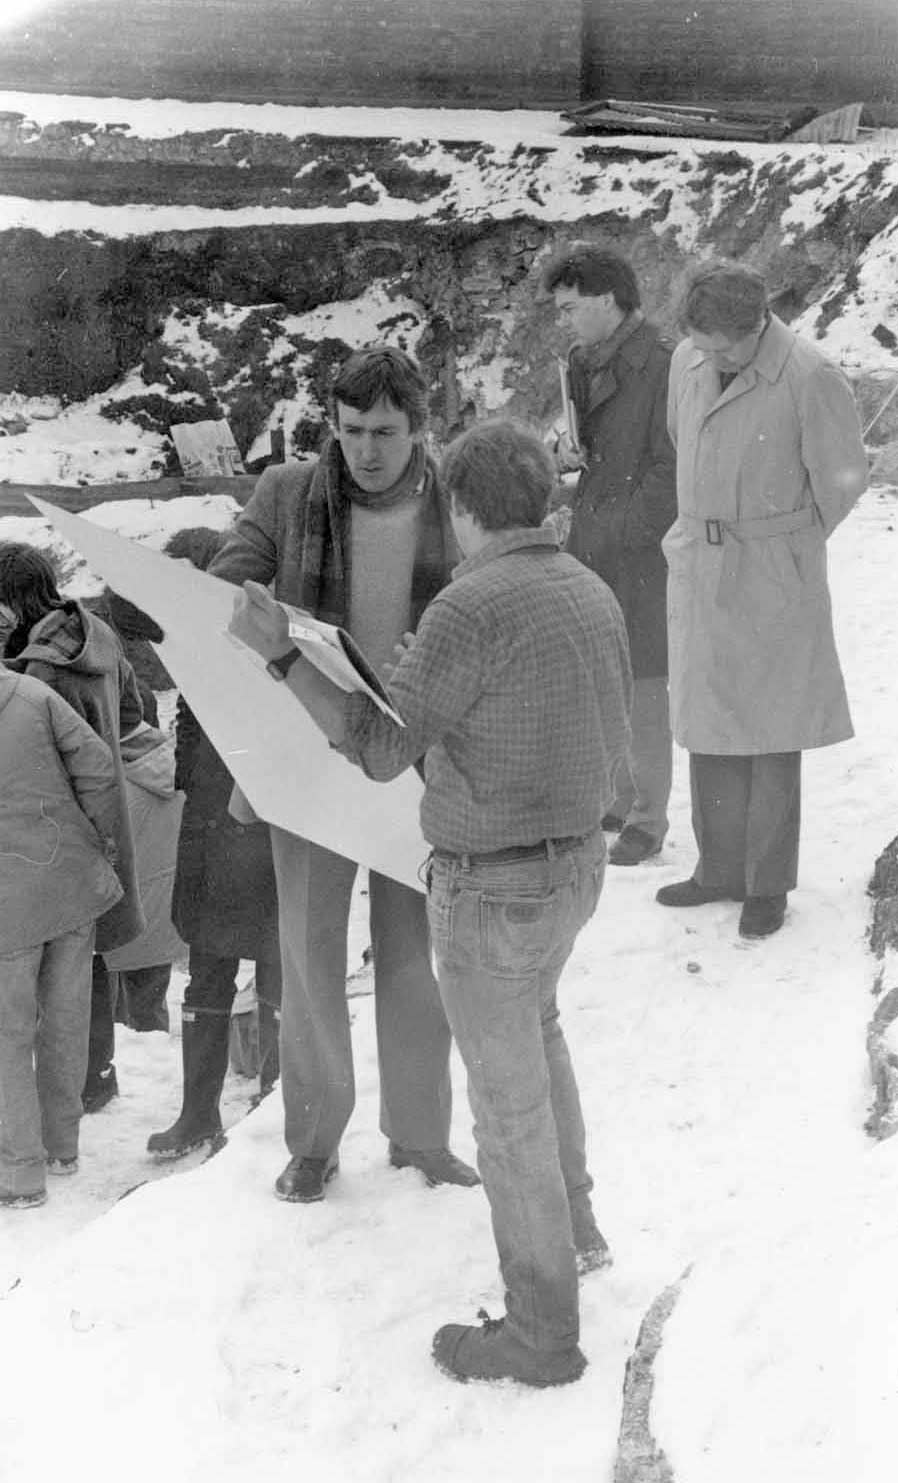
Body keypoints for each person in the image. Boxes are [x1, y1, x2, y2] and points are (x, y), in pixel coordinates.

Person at [230, 418, 632, 1388]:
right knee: (540, 1040)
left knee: (507, 1113)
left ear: (459, 508)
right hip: (573, 867)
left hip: (493, 884)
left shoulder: (467, 606)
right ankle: (575, 1227)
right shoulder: (587, 587)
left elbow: (375, 753)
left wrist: (283, 657)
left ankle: (540, 1332)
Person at [210, 346, 478, 1202]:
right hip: (313, 753)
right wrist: (267, 611)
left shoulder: (456, 500)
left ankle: (422, 1134)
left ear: (419, 429)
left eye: (387, 433)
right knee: (311, 953)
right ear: (333, 423)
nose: (366, 450)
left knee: (412, 958)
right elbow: (224, 581)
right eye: (353, 430)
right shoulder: (287, 493)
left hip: (417, 761)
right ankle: (315, 1141)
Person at [659, 262, 869, 938]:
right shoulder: (689, 359)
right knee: (708, 717)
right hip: (701, 560)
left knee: (773, 728)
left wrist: (783, 546)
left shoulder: (810, 375)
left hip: (775, 566)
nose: (711, 355)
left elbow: (841, 480)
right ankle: (718, 866)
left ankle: (766, 882)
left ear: (759, 324)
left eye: (725, 344)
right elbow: (681, 437)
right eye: (702, 342)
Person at [143, 527, 283, 1159]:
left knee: (278, 966)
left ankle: (278, 1102)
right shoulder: (192, 646)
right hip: (206, 829)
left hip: (260, 829)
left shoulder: (258, 640)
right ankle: (198, 1113)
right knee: (205, 973)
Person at [543, 243, 677, 866]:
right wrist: (564, 455)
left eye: (570, 308)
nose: (563, 320)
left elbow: (670, 467)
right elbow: (584, 442)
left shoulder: (665, 364)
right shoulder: (580, 360)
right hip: (592, 540)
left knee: (645, 681)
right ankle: (621, 799)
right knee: (608, 676)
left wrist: (624, 528)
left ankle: (649, 817)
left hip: (640, 548)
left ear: (606, 301)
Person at [0, 544, 145, 1106]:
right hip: (107, 813)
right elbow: (133, 715)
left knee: (50, 962)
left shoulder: (38, 670)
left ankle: (66, 1088)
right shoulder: (97, 637)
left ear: (14, 601)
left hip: (55, 826)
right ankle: (97, 1076)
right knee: (90, 951)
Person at [0, 663, 124, 1208]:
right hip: (68, 875)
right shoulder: (35, 695)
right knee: (67, 1017)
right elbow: (98, 768)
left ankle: (20, 1171)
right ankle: (62, 1147)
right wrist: (100, 834)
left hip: (7, 899)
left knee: (7, 1033)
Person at [102, 720, 186, 1035]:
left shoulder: (111, 784)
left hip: (120, 920)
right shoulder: (172, 767)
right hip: (165, 917)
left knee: (115, 1022)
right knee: (150, 1011)